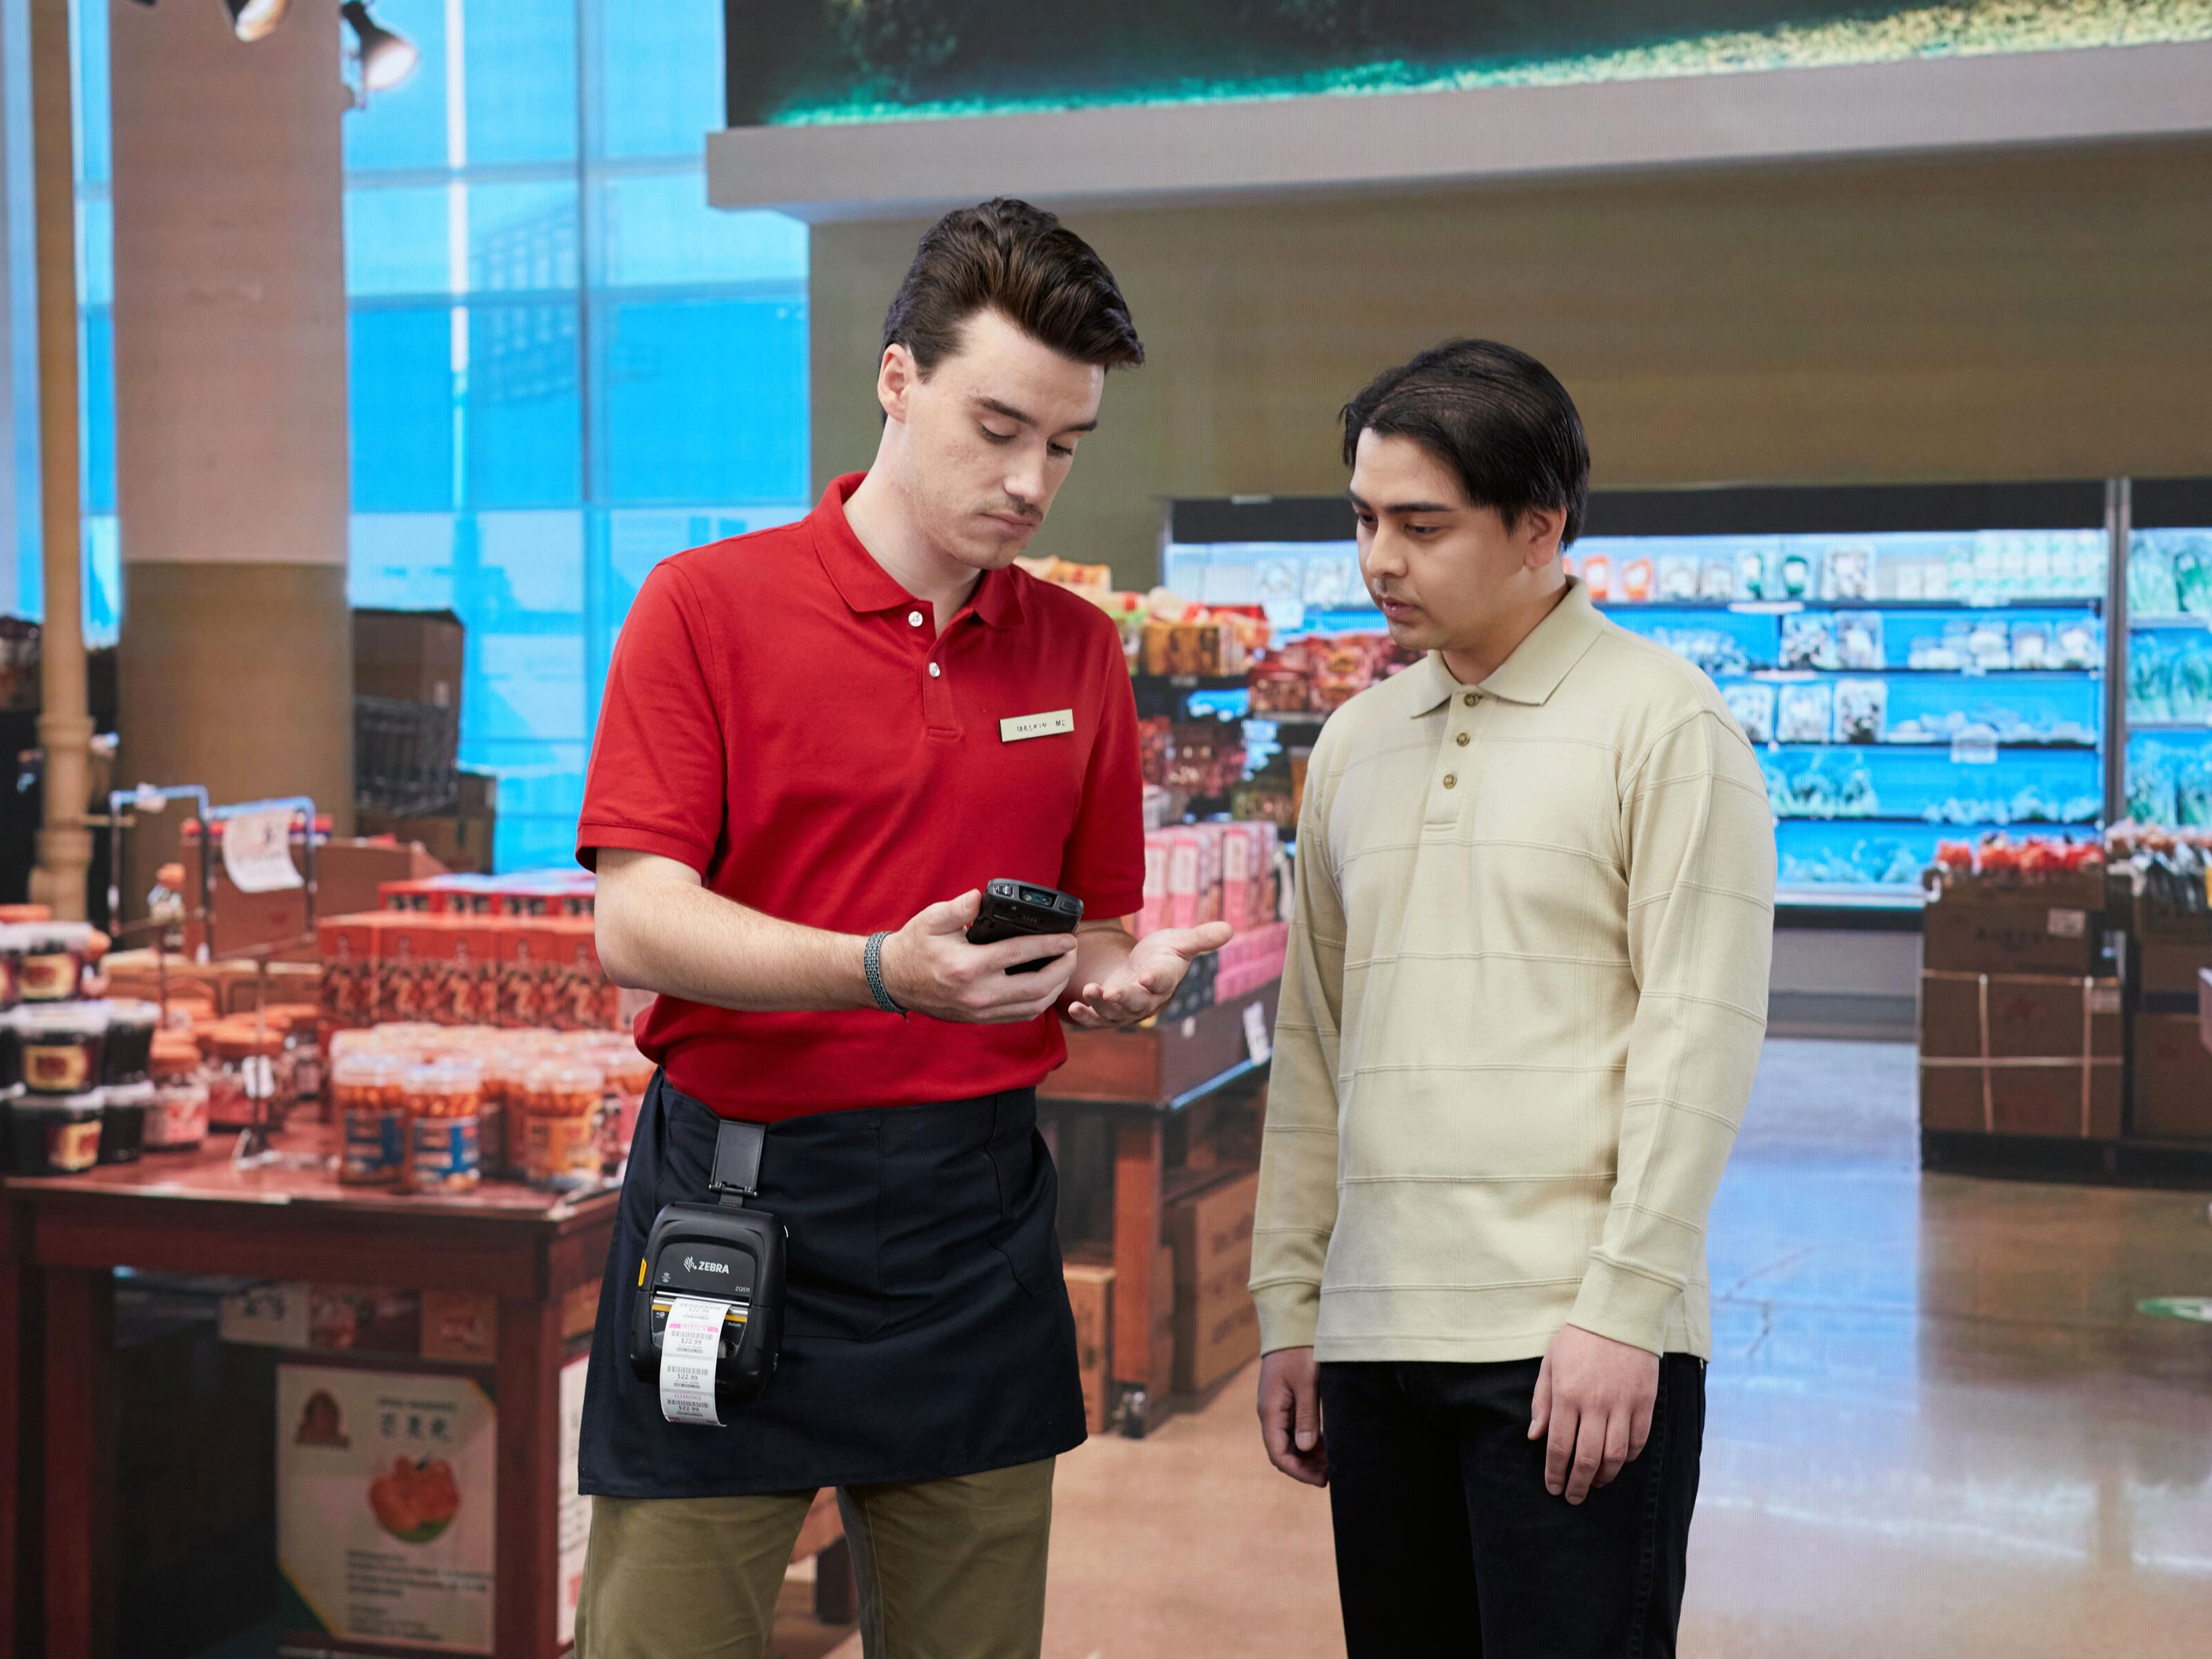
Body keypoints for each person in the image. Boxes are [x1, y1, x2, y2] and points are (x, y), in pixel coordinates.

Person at [571, 198, 1232, 1659]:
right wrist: (881, 972)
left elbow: (1102, 927)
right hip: (730, 1211)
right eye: (998, 427)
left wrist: (1127, 979)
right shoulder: (704, 609)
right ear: (897, 379)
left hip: (975, 1228)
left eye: (1064, 446)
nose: (1030, 481)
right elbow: (638, 920)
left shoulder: (1076, 650)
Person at [1248, 339, 1775, 1656]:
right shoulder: (1356, 745)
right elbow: (1316, 1047)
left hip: (1571, 1345)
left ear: (1539, 527)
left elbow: (1697, 1039)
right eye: (1364, 520)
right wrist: (1289, 1308)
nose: (1379, 561)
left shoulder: (1666, 724)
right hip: (1376, 1340)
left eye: (1422, 526)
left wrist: (1624, 1309)